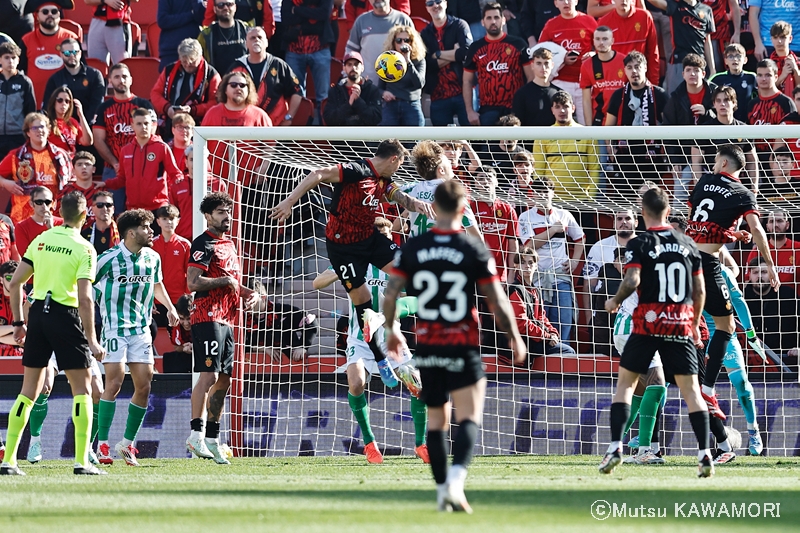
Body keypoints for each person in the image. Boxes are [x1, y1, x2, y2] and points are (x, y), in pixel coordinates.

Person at [383, 179, 525, 513]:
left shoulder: (414, 248)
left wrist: (391, 330)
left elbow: (391, 293)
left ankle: (441, 489)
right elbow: (497, 299)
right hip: (462, 342)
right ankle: (456, 482)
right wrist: (514, 336)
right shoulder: (472, 249)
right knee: (470, 414)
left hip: (429, 343)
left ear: (435, 208)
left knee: (436, 420)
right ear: (462, 208)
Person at [269, 139, 435, 387]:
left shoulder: (383, 181)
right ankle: (380, 359)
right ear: (393, 159)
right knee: (363, 305)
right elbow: (317, 174)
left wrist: (418, 204)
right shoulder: (355, 170)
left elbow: (398, 196)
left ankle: (392, 318)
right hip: (342, 249)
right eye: (400, 163)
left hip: (370, 239)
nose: (399, 169)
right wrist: (289, 201)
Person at [599, 187, 712, 477]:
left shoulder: (640, 243)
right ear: (668, 209)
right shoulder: (688, 244)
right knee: (690, 391)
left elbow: (633, 277)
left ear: (642, 212)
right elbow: (699, 290)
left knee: (626, 385)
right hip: (679, 324)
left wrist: (615, 300)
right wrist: (694, 324)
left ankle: (616, 448)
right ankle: (704, 453)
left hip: (647, 323)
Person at [0, 191, 106, 476]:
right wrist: (93, 339)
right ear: (85, 216)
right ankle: (82, 461)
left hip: (37, 315)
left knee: (28, 392)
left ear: (59, 210)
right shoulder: (85, 248)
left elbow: (15, 283)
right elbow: (85, 298)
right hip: (66, 315)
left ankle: (9, 460)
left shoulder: (41, 240)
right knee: (82, 390)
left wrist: (20, 322)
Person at [312, 218, 427, 464]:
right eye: (378, 235)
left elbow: (417, 300)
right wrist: (337, 271)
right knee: (356, 384)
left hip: (389, 336)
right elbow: (317, 283)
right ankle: (369, 443)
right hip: (359, 337)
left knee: (417, 386)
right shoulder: (355, 263)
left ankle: (421, 444)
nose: (383, 240)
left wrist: (398, 308)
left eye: (386, 235)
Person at [686, 144, 779, 418]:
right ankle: (707, 387)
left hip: (685, 258)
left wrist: (732, 235)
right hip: (706, 263)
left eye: (715, 161)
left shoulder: (704, 181)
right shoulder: (743, 193)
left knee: (687, 326)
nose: (714, 165)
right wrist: (770, 264)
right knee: (726, 326)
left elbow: (702, 221)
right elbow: (758, 229)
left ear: (723, 164)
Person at [94, 209, 178, 467]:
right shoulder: (107, 259)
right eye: (146, 227)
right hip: (114, 330)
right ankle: (102, 444)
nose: (151, 231)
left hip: (141, 331)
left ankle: (127, 443)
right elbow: (85, 287)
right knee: (115, 383)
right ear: (131, 232)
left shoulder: (153, 258)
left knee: (144, 386)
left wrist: (170, 307)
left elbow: (157, 284)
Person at [185, 192, 259, 463]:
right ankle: (195, 436)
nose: (226, 216)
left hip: (228, 318)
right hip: (207, 317)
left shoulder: (229, 244)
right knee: (208, 377)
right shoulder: (203, 243)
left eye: (228, 211)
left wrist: (249, 293)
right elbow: (193, 283)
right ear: (207, 216)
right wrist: (225, 281)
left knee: (224, 380)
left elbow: (231, 283)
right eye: (219, 212)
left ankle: (214, 438)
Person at [517, 176, 585, 344]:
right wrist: (553, 230)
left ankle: (564, 359)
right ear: (532, 195)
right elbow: (529, 245)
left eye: (546, 191)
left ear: (552, 193)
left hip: (560, 277)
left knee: (564, 322)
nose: (542, 195)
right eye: (538, 192)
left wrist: (575, 261)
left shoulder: (564, 215)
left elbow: (580, 238)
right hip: (537, 279)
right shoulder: (525, 217)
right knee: (539, 323)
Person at [93, 63, 156, 213]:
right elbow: (98, 139)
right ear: (110, 81)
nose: (121, 80)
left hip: (141, 168)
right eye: (117, 77)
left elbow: (151, 134)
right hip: (113, 169)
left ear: (131, 80)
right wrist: (115, 163)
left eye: (124, 76)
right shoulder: (103, 108)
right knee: (113, 213)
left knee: (142, 213)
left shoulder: (144, 105)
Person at [604, 51, 670, 196]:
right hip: (624, 158)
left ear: (645, 68)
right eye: (629, 67)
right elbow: (608, 127)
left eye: (637, 66)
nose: (634, 71)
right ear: (625, 70)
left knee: (650, 203)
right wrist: (611, 151)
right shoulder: (618, 95)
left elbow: (668, 126)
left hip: (652, 159)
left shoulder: (659, 94)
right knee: (626, 205)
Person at [462, 3, 532, 126]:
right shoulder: (475, 48)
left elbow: (531, 78)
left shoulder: (518, 44)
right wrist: (470, 111)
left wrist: (526, 105)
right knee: (488, 145)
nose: (493, 21)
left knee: (517, 145)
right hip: (488, 110)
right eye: (489, 18)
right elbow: (467, 81)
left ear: (503, 20)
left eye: (496, 17)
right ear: (482, 22)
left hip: (515, 110)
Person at [104, 108, 183, 213]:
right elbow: (122, 179)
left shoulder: (161, 147)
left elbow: (175, 174)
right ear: (132, 126)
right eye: (139, 124)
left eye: (146, 123)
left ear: (152, 125)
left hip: (157, 207)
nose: (143, 127)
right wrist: (105, 184)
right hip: (133, 209)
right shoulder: (126, 150)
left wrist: (183, 183)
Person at [663, 53, 718, 205]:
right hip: (684, 155)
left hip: (712, 155)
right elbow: (667, 129)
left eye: (696, 70)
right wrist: (674, 160)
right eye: (688, 70)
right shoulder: (675, 97)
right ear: (683, 74)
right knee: (680, 193)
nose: (692, 74)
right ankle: (678, 227)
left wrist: (708, 113)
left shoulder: (715, 92)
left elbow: (726, 118)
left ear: (704, 73)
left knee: (713, 193)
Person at [398, 141, 481, 240]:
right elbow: (475, 234)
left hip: (415, 250)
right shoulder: (452, 194)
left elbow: (386, 194)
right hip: (441, 251)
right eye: (448, 161)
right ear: (441, 170)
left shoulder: (412, 188)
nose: (450, 163)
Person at [0, 112, 72, 224]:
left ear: (48, 130)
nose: (39, 130)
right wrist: (5, 183)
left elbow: (71, 183)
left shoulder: (61, 156)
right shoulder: (15, 156)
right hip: (23, 220)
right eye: (34, 128)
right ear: (28, 132)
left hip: (54, 218)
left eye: (42, 126)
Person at [507, 246, 575, 360]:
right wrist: (547, 337)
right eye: (523, 262)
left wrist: (553, 332)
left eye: (530, 263)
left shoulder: (535, 290)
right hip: (521, 343)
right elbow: (521, 324)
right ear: (516, 266)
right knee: (568, 351)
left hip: (534, 339)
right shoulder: (515, 290)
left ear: (536, 266)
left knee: (566, 349)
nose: (527, 266)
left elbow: (541, 317)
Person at [532, 90, 600, 201]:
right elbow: (539, 170)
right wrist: (543, 197)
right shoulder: (543, 135)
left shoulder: (587, 134)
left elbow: (594, 168)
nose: (562, 110)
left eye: (565, 106)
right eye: (557, 107)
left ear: (573, 108)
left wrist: (591, 198)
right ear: (552, 110)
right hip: (553, 201)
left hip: (581, 200)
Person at [537, 0, 598, 123]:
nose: (566, 2)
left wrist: (594, 54)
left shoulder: (589, 21)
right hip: (560, 82)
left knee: (586, 125)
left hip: (585, 83)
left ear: (576, 1)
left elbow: (602, 46)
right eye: (561, 0)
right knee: (561, 124)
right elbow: (540, 52)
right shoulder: (551, 24)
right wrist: (561, 59)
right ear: (555, 3)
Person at [229, 26, 303, 126]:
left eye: (260, 37)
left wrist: (289, 117)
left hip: (276, 127)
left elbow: (297, 92)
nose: (256, 40)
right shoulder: (236, 66)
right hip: (245, 128)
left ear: (267, 42)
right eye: (252, 38)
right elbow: (224, 95)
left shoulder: (279, 65)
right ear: (246, 44)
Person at [150, 38, 221, 139]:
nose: (187, 65)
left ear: (200, 57)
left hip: (198, 127)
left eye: (192, 62)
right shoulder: (169, 70)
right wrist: (167, 108)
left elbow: (215, 103)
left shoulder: (211, 74)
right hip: (171, 124)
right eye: (184, 62)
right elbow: (155, 94)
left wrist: (193, 110)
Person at [691, 85, 758, 191]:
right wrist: (699, 188)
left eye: (726, 100)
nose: (722, 104)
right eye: (718, 100)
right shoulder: (704, 129)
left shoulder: (744, 129)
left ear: (734, 103)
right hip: (712, 184)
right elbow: (696, 162)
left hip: (738, 184)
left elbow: (752, 160)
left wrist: (754, 188)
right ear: (714, 104)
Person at [420, 0, 472, 127]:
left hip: (463, 92)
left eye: (438, 1)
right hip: (438, 95)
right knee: (442, 143)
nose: (435, 6)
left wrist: (437, 54)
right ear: (426, 8)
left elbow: (466, 53)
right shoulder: (425, 34)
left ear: (446, 3)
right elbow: (427, 63)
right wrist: (454, 53)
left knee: (472, 138)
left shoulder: (460, 25)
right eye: (430, 3)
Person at [19, 0, 79, 109]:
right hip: (35, 104)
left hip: (64, 106)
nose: (50, 15)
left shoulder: (71, 38)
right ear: (37, 16)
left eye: (54, 11)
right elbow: (19, 70)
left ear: (59, 15)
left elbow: (80, 70)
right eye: (45, 12)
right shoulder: (26, 40)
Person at [648, 0, 716, 94]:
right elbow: (656, 2)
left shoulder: (707, 10)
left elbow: (707, 42)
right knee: (675, 99)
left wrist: (712, 69)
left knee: (699, 99)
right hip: (679, 62)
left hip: (699, 63)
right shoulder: (676, 7)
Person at [281, 0, 334, 112]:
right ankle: (301, 127)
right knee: (296, 95)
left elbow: (324, 14)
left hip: (320, 49)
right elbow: (286, 18)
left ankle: (324, 127)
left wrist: (297, 10)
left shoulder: (296, 7)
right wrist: (312, 17)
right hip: (294, 51)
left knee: (323, 96)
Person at [469, 165, 518, 282]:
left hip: (500, 275)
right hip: (476, 273)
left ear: (496, 182)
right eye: (480, 178)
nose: (485, 181)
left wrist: (511, 275)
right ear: (475, 183)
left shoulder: (507, 209)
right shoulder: (470, 209)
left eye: (489, 177)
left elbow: (513, 246)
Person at [345, 0, 413, 84]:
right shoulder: (361, 21)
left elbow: (415, 54)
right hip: (368, 86)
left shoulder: (403, 20)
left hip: (398, 87)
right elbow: (351, 52)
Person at [42, 38, 106, 125]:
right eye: (67, 53)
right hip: (63, 128)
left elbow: (97, 105)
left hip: (89, 126)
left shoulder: (94, 75)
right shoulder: (55, 79)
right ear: (61, 54)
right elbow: (48, 107)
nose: (72, 55)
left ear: (80, 53)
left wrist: (82, 125)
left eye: (75, 52)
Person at [596, 0, 659, 85]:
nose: (623, 1)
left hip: (639, 80)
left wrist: (654, 83)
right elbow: (600, 57)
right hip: (614, 82)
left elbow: (653, 52)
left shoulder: (644, 17)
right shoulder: (604, 22)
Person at [745, 256, 799, 353]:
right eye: (755, 272)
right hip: (751, 356)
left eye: (764, 272)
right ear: (749, 275)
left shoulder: (788, 296)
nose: (760, 276)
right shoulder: (741, 299)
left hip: (786, 355)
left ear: (772, 274)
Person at [378, 24, 426, 127]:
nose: (403, 44)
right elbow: (379, 87)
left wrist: (408, 62)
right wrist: (384, 93)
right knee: (390, 142)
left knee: (414, 142)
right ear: (393, 43)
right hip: (391, 106)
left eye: (406, 40)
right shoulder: (387, 60)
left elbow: (419, 83)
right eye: (399, 41)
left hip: (411, 105)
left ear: (412, 43)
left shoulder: (419, 60)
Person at [151, 204, 191, 326]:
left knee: (177, 339)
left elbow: (189, 273)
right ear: (158, 222)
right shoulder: (151, 245)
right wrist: (149, 298)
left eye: (172, 218)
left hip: (178, 301)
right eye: (164, 219)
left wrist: (185, 299)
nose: (169, 222)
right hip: (156, 301)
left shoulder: (185, 245)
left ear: (178, 221)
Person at [580, 26, 626, 128]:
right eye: (598, 39)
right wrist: (589, 127)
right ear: (593, 41)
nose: (601, 43)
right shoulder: (587, 65)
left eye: (605, 39)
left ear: (612, 41)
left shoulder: (624, 61)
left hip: (623, 119)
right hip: (600, 120)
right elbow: (586, 99)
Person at [745, 209, 800, 293]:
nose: (775, 225)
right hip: (766, 301)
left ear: (787, 225)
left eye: (779, 221)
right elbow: (747, 281)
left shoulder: (798, 248)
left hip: (793, 301)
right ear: (767, 226)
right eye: (771, 221)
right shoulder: (757, 250)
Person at [323, 51, 382, 126]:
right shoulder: (335, 91)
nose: (353, 68)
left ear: (362, 68)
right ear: (344, 68)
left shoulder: (372, 90)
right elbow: (329, 119)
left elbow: (376, 118)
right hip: (342, 135)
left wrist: (358, 101)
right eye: (349, 65)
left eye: (356, 65)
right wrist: (349, 105)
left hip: (365, 135)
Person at [0, 41, 36, 160]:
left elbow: (30, 111)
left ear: (18, 61)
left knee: (18, 171)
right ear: (0, 60)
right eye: (6, 57)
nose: (10, 61)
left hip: (17, 136)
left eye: (13, 58)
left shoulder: (25, 82)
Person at [512, 47, 561, 127]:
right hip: (529, 139)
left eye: (546, 63)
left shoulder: (559, 93)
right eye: (539, 63)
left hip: (554, 139)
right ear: (532, 65)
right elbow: (517, 125)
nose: (543, 68)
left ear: (552, 65)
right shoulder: (522, 94)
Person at [584, 208, 636, 284]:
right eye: (619, 219)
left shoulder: (646, 246)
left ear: (636, 223)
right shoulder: (599, 246)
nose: (623, 222)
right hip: (607, 294)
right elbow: (589, 284)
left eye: (628, 218)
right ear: (614, 223)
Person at [197, 0, 249, 75]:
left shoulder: (246, 30)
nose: (225, 8)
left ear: (235, 7)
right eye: (221, 5)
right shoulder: (206, 35)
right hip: (217, 83)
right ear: (214, 9)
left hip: (242, 83)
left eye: (229, 4)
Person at [709, 43, 757, 123]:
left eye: (738, 56)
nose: (735, 59)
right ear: (726, 61)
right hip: (723, 122)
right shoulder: (717, 78)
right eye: (731, 56)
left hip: (746, 123)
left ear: (745, 60)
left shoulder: (751, 77)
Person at [45, 85, 92, 159]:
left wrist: (81, 115)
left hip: (69, 165)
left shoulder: (72, 122)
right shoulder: (46, 122)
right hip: (52, 163)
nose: (63, 103)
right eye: (60, 100)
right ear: (54, 102)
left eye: (67, 101)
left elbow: (88, 141)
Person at [156, 0, 206, 68]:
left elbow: (202, 18)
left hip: (193, 50)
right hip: (171, 50)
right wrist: (191, 15)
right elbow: (163, 20)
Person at [15, 186, 63, 257]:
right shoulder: (21, 227)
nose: (43, 206)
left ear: (52, 203)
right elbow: (26, 256)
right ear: (31, 203)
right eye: (39, 202)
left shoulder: (62, 223)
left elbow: (64, 251)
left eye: (47, 202)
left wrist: (51, 228)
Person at [85, 0, 134, 64]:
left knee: (122, 65)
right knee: (96, 65)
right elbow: (87, 1)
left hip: (119, 22)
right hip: (97, 21)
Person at [80, 190, 119, 255]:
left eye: (108, 205)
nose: (105, 208)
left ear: (113, 209)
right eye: (100, 205)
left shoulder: (123, 233)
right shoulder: (84, 235)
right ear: (92, 209)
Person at [163, 293, 193, 373]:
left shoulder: (203, 321)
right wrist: (183, 348)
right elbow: (176, 347)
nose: (186, 323)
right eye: (182, 319)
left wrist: (195, 347)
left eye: (189, 318)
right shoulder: (172, 322)